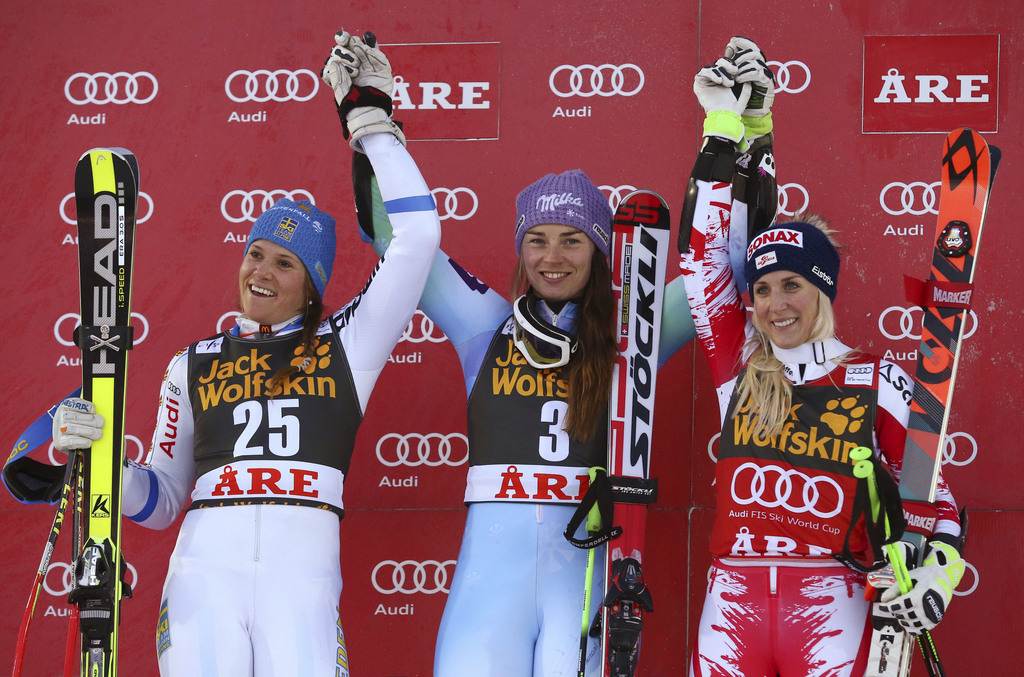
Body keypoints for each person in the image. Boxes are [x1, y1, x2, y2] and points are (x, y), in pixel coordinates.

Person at [48, 30, 440, 677]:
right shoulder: (191, 363)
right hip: (205, 584)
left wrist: (370, 121)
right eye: (256, 252)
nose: (262, 270)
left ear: (312, 285)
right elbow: (162, 498)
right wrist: (94, 459)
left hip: (302, 594)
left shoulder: (348, 344)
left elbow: (419, 237)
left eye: (285, 263)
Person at [680, 37, 967, 677]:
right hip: (733, 601)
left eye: (793, 286)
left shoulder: (875, 379)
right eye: (761, 289)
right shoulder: (741, 366)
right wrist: (727, 130)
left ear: (824, 292)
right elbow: (702, 262)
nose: (776, 304)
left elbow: (937, 501)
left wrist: (938, 575)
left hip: (832, 603)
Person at [357, 155, 696, 674]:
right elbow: (391, 236)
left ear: (600, 248)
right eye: (537, 239)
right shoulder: (485, 323)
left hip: (582, 579)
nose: (552, 257)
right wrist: (371, 128)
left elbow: (721, 273)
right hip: (489, 591)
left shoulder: (635, 336)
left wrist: (742, 136)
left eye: (572, 239)